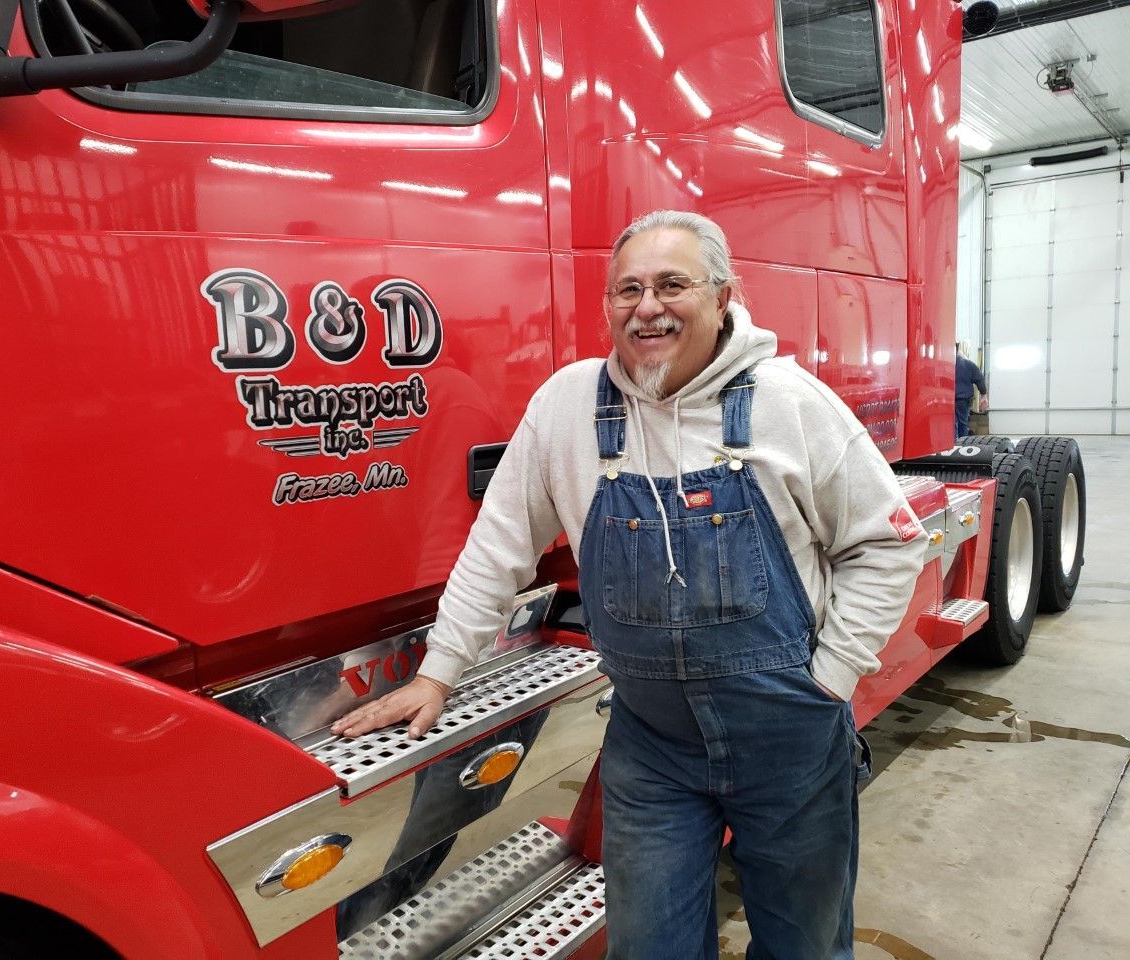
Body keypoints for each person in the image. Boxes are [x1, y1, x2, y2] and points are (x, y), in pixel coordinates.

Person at [333, 210, 926, 959]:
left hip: (792, 739)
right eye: (628, 290)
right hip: (652, 747)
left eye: (673, 285)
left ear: (722, 297)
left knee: (803, 945)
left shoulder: (790, 403)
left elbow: (886, 544)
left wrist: (831, 678)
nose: (648, 307)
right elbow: (498, 548)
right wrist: (439, 673)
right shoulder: (567, 408)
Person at [954, 342, 988, 442]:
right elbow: (979, 379)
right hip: (963, 400)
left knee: (951, 424)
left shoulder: (944, 363)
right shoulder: (968, 364)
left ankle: (952, 445)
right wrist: (983, 395)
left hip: (948, 400)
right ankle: (962, 445)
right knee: (963, 423)